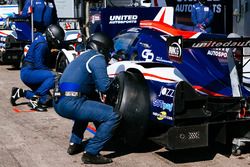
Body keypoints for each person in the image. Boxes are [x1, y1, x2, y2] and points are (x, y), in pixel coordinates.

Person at [53, 32, 121, 164]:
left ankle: (75, 144)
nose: (108, 55)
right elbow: (104, 87)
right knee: (113, 115)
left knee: (86, 108)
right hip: (72, 103)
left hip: (59, 101)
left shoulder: (82, 56)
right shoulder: (97, 58)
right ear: (102, 48)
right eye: (108, 51)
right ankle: (91, 153)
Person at [10, 24, 65, 111]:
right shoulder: (42, 44)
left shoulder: (43, 39)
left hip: (31, 71)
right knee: (56, 76)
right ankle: (34, 100)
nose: (55, 44)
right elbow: (39, 66)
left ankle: (20, 93)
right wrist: (51, 73)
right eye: (55, 41)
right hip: (29, 72)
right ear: (51, 37)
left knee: (47, 100)